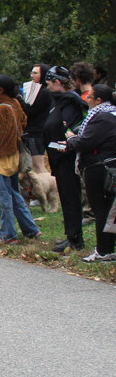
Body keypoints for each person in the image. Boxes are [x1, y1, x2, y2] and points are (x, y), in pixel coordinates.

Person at [0, 75, 41, 244]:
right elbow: (22, 122)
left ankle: (8, 234)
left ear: (0, 90)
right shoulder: (15, 104)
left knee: (2, 197)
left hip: (0, 157)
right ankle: (30, 229)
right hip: (14, 154)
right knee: (14, 193)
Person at [66, 83, 116, 262]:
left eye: (90, 97)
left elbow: (85, 142)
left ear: (99, 100)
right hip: (108, 165)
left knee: (101, 209)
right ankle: (107, 249)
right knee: (108, 209)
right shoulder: (111, 114)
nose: (87, 99)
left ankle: (103, 250)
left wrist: (71, 139)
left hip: (99, 168)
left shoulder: (102, 117)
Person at [43, 66, 88, 253]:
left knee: (71, 198)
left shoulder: (71, 101)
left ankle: (75, 239)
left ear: (58, 82)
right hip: (57, 156)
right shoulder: (58, 101)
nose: (47, 87)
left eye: (49, 83)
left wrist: (68, 137)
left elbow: (72, 127)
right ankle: (70, 235)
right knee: (66, 197)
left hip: (68, 156)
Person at [21, 63, 52, 176]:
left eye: (35, 73)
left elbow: (31, 111)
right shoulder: (39, 90)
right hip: (36, 130)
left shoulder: (44, 92)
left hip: (36, 132)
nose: (32, 75)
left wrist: (20, 101)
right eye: (32, 73)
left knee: (39, 165)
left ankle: (47, 185)